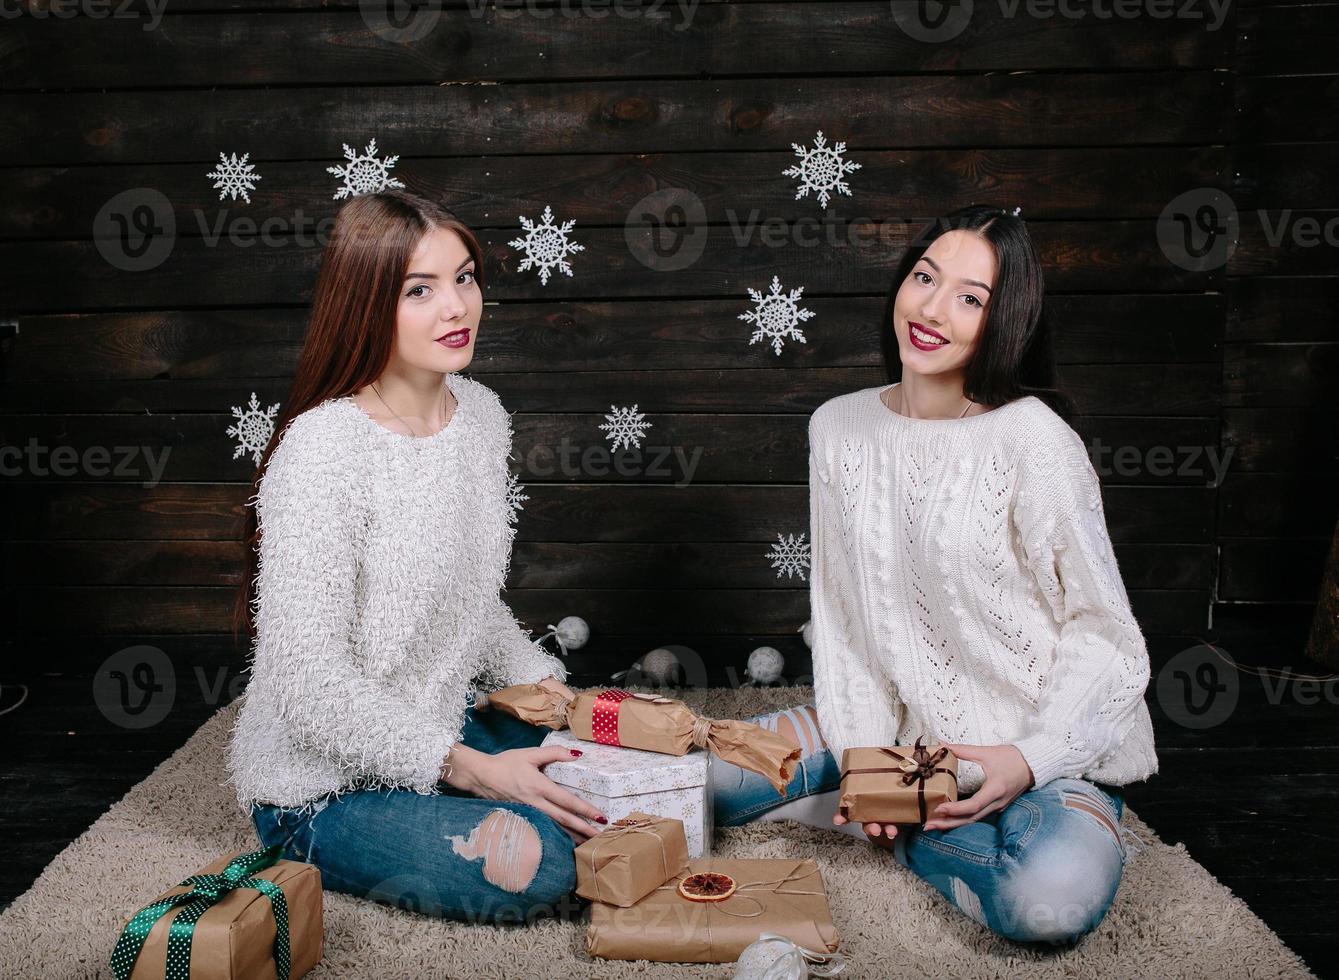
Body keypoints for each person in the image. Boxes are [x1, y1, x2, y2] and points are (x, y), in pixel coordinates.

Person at [224, 189, 828, 926]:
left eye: (465, 277)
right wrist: (474, 769)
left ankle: (836, 741)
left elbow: (468, 606)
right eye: (421, 289)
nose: (457, 306)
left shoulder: (477, 413)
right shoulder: (321, 451)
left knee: (635, 771)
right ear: (365, 303)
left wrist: (565, 701)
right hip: (325, 784)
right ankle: (728, 792)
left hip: (442, 721)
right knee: (542, 860)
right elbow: (306, 686)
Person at [714, 205, 1160, 946]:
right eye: (924, 277)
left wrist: (1027, 758)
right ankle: (863, 803)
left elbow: (1106, 633)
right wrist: (869, 768)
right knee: (690, 786)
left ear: (1003, 322)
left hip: (1043, 750)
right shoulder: (838, 428)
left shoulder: (1033, 441)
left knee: (1044, 899)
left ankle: (885, 824)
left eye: (969, 297)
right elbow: (844, 619)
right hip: (898, 734)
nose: (930, 308)